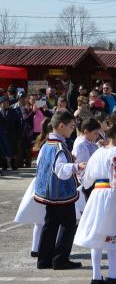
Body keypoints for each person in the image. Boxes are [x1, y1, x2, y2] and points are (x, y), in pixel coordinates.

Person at [73, 122, 116, 284]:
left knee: (98, 233)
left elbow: (86, 180)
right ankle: (112, 274)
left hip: (97, 194)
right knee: (113, 233)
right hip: (111, 195)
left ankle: (96, 276)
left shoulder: (98, 152)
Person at [33, 109, 86, 270]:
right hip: (61, 194)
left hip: (48, 193)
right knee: (68, 224)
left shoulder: (47, 144)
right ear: (61, 126)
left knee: (50, 224)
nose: (72, 129)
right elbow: (61, 170)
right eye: (71, 126)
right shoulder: (59, 147)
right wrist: (76, 166)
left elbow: (42, 165)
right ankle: (60, 259)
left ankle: (44, 259)